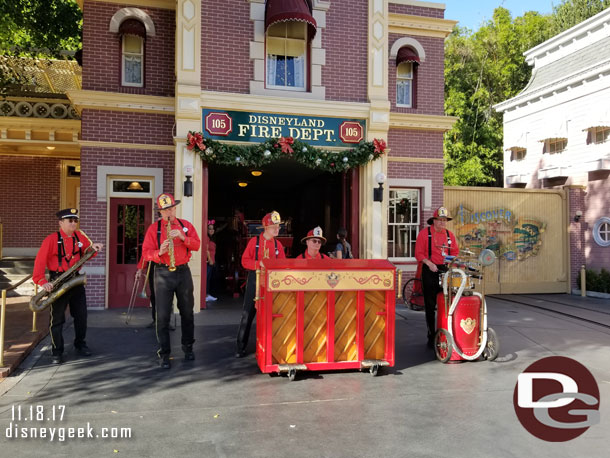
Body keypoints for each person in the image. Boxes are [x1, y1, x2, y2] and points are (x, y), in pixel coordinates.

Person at [32, 208, 103, 365]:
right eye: (70, 220)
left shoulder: (80, 236)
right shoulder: (50, 240)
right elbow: (39, 264)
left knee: (81, 316)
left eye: (75, 220)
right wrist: (43, 282)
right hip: (58, 281)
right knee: (57, 319)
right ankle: (57, 351)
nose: (73, 223)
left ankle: (80, 344)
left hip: (75, 280)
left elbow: (88, 252)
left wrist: (94, 248)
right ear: (61, 223)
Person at [142, 193, 200, 369]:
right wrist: (159, 252)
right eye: (165, 210)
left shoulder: (186, 226)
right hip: (162, 273)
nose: (169, 212)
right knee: (163, 316)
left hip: (183, 272)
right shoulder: (154, 229)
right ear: (160, 212)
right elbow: (145, 253)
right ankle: (164, 353)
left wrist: (184, 238)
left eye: (171, 208)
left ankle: (188, 347)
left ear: (175, 208)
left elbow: (197, 245)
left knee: (187, 312)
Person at [235, 211, 286, 357]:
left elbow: (282, 264)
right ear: (265, 227)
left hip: (272, 282)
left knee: (272, 314)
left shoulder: (278, 245)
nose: (277, 229)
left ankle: (271, 346)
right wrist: (259, 264)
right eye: (274, 226)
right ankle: (240, 346)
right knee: (248, 313)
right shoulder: (254, 242)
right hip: (255, 279)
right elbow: (244, 261)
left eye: (278, 226)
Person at [414, 207, 459, 348]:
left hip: (445, 269)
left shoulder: (450, 235)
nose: (442, 223)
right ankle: (431, 335)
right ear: (433, 221)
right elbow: (419, 254)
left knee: (446, 302)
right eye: (439, 220)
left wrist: (453, 264)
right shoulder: (424, 234)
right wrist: (429, 263)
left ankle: (446, 332)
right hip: (429, 270)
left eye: (444, 220)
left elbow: (455, 252)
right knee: (430, 305)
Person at [206, 220, 217, 302]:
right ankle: (206, 295)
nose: (211, 230)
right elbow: (206, 250)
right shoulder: (206, 238)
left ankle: (207, 294)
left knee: (209, 279)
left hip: (211, 262)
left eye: (213, 229)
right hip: (208, 262)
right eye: (210, 229)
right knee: (206, 279)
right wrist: (210, 259)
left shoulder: (212, 238)